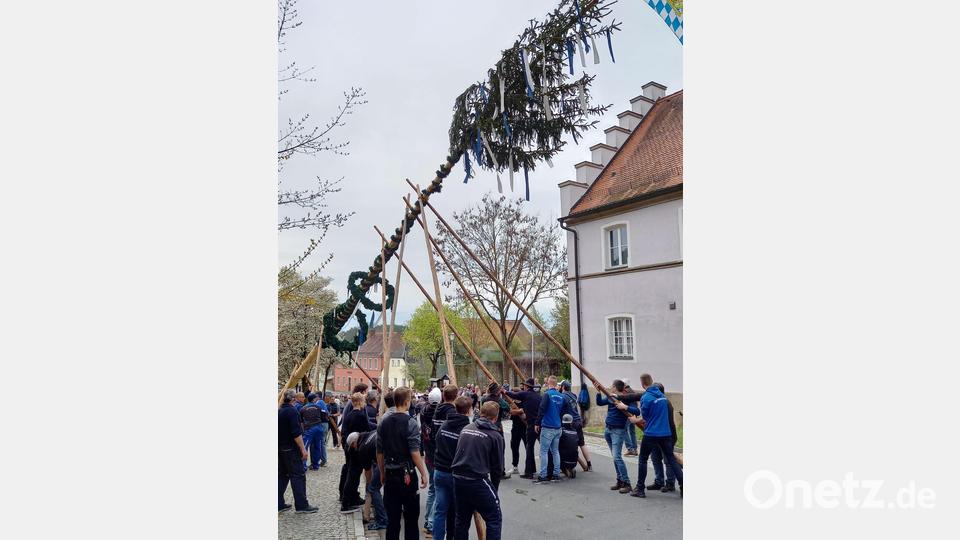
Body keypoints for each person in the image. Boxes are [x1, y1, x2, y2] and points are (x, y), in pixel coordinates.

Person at [377, 387, 428, 540]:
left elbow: (379, 452)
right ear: (407, 402)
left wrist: (382, 472)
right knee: (411, 518)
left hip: (391, 474)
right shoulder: (411, 423)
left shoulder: (383, 423)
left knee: (392, 520)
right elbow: (414, 452)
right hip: (407, 475)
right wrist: (424, 473)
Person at [619, 381, 684, 498]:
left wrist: (635, 420)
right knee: (669, 459)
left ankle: (640, 489)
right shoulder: (663, 399)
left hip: (652, 433)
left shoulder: (648, 398)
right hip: (666, 434)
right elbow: (636, 397)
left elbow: (645, 417)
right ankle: (681, 486)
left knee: (643, 460)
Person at [452, 401, 505, 540]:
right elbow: (497, 468)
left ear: (481, 413)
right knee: (494, 517)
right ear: (495, 417)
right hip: (477, 479)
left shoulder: (467, 428)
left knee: (461, 520)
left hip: (458, 478)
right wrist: (494, 488)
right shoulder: (495, 436)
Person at [433, 396, 472, 540]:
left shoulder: (444, 425)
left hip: (440, 471)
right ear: (468, 411)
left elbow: (437, 442)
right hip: (454, 474)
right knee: (456, 512)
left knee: (440, 510)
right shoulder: (466, 430)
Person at [594, 379, 641, 494]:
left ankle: (627, 483)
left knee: (617, 457)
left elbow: (637, 411)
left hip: (618, 431)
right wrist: (598, 392)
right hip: (608, 429)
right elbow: (599, 403)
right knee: (614, 457)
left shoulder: (626, 398)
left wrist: (625, 407)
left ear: (615, 387)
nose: (610, 387)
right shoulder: (611, 397)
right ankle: (620, 480)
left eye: (612, 386)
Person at [278, 389, 317, 514]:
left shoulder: (280, 411)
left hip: (281, 448)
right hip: (291, 449)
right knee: (298, 476)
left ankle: (278, 503)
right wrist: (303, 449)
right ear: (294, 399)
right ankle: (301, 505)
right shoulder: (292, 411)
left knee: (283, 476)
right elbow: (296, 433)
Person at [533, 375, 572, 484]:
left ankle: (543, 475)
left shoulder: (547, 395)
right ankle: (556, 474)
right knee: (555, 451)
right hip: (558, 427)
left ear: (548, 383)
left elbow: (542, 409)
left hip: (548, 427)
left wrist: (537, 423)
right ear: (556, 385)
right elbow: (565, 410)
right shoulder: (561, 396)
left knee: (544, 451)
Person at [350, 430, 388, 532]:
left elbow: (368, 473)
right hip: (395, 454)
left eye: (352, 447)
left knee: (373, 488)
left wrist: (368, 488)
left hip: (385, 459)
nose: (354, 449)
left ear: (354, 443)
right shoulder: (369, 433)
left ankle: (382, 520)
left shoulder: (362, 448)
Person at [504, 378, 540, 479]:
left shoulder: (525, 396)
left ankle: (530, 471)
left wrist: (504, 391)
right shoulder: (536, 396)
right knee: (517, 446)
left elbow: (515, 397)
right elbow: (510, 412)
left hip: (527, 426)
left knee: (529, 448)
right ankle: (520, 467)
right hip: (523, 426)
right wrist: (519, 411)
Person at [340, 393, 370, 510]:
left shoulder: (349, 415)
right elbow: (366, 430)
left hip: (350, 448)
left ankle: (352, 498)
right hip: (357, 448)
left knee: (354, 474)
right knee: (353, 475)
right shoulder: (360, 416)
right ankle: (346, 503)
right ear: (360, 402)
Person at [419, 387, 442, 537]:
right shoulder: (439, 413)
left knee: (433, 490)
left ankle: (428, 520)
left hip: (428, 454)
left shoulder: (423, 411)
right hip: (437, 455)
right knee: (436, 490)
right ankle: (431, 523)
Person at [647, 382, 679, 492]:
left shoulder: (665, 403)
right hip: (656, 435)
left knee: (668, 461)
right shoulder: (657, 401)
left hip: (667, 436)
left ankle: (670, 483)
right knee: (655, 458)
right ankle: (659, 481)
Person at [480, 382, 511, 480]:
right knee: (500, 449)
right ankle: (500, 472)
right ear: (497, 391)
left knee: (485, 449)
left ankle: (484, 470)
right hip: (496, 426)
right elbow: (507, 408)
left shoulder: (484, 399)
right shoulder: (499, 400)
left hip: (484, 426)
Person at [559, 380, 592, 471]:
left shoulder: (563, 396)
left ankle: (567, 465)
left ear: (563, 387)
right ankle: (589, 464)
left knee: (568, 444)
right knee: (582, 443)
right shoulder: (574, 395)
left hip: (570, 422)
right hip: (578, 421)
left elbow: (561, 410)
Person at [300, 392, 328, 469]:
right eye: (315, 398)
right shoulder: (319, 407)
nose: (317, 399)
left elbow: (301, 421)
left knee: (305, 447)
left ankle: (303, 466)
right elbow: (325, 416)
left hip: (309, 429)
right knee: (317, 446)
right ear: (313, 399)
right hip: (319, 428)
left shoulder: (303, 408)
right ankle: (315, 465)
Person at [558, 414, 580, 478]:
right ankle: (571, 468)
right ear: (571, 422)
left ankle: (566, 471)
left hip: (564, 460)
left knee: (555, 451)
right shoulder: (575, 432)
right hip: (574, 461)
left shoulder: (561, 431)